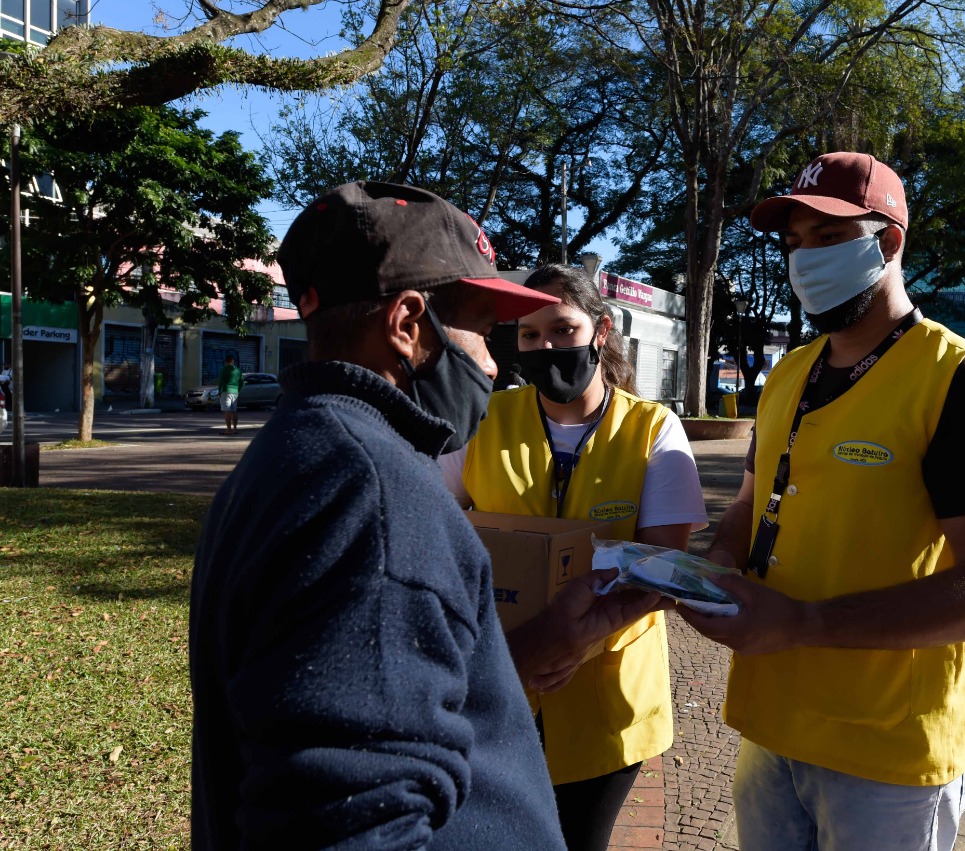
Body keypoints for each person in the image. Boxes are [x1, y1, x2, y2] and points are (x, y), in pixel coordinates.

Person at [189, 181, 662, 850]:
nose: (493, 363)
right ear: (408, 325)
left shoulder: (298, 448)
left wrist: (515, 659)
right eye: (484, 332)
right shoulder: (373, 497)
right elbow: (349, 820)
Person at [678, 153, 965, 851]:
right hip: (773, 720)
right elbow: (749, 505)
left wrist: (802, 622)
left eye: (830, 237)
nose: (806, 259)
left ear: (889, 242)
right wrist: (714, 568)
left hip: (889, 750)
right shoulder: (789, 374)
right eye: (795, 242)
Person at [439, 264, 708, 851]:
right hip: (501, 683)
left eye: (563, 329)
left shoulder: (652, 429)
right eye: (530, 335)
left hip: (608, 697)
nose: (546, 347)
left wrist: (572, 643)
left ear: (601, 331)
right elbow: (436, 527)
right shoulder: (484, 419)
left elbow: (663, 568)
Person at [216, 355, 243, 434]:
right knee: (234, 411)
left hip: (226, 391)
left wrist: (219, 392)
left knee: (227, 410)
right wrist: (238, 390)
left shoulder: (223, 370)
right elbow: (242, 382)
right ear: (233, 361)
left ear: (226, 361)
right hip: (235, 392)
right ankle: (235, 429)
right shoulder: (238, 370)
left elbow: (221, 382)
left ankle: (228, 429)